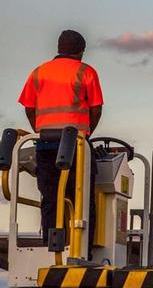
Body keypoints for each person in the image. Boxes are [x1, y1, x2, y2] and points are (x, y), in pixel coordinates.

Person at [17, 30, 103, 241]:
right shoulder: (86, 72)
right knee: (82, 198)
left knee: (50, 197)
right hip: (77, 146)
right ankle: (83, 247)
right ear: (81, 51)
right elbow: (96, 108)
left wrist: (39, 130)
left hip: (45, 143)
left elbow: (29, 107)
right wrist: (87, 132)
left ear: (58, 48)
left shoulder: (38, 72)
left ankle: (51, 244)